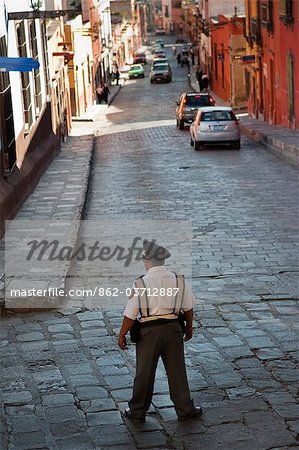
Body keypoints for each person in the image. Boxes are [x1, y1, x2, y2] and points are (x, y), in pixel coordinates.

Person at [118, 239, 202, 423]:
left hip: (148, 333)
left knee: (144, 373)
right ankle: (185, 409)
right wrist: (189, 326)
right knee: (177, 370)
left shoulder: (139, 284)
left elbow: (131, 314)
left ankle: (138, 411)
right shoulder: (179, 280)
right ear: (163, 261)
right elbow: (188, 307)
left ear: (148, 261)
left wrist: (122, 333)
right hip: (173, 330)